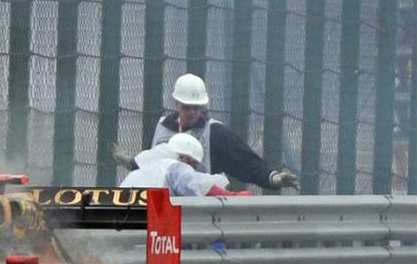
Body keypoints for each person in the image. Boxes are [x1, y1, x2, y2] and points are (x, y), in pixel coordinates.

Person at [112, 73, 299, 191]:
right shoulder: (161, 128)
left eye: (197, 107)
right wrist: (134, 163)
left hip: (198, 209)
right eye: (187, 107)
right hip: (162, 209)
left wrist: (272, 177)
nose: (193, 112)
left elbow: (246, 163)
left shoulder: (215, 133)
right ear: (177, 104)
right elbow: (154, 168)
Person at [119, 133, 248, 196]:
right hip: (146, 224)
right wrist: (232, 196)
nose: (192, 169)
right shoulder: (172, 166)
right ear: (182, 157)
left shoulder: (139, 172)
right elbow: (198, 185)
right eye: (192, 163)